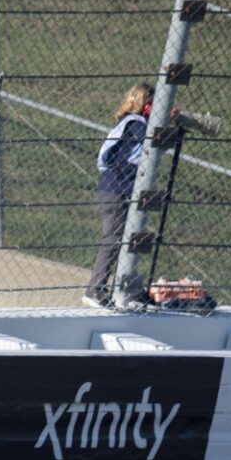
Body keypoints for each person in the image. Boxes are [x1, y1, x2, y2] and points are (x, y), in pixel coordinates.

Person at [87, 83, 152, 307]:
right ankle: (95, 290)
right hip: (117, 190)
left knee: (129, 241)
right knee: (112, 241)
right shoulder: (136, 123)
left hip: (120, 189)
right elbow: (151, 139)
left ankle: (129, 289)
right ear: (146, 105)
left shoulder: (129, 123)